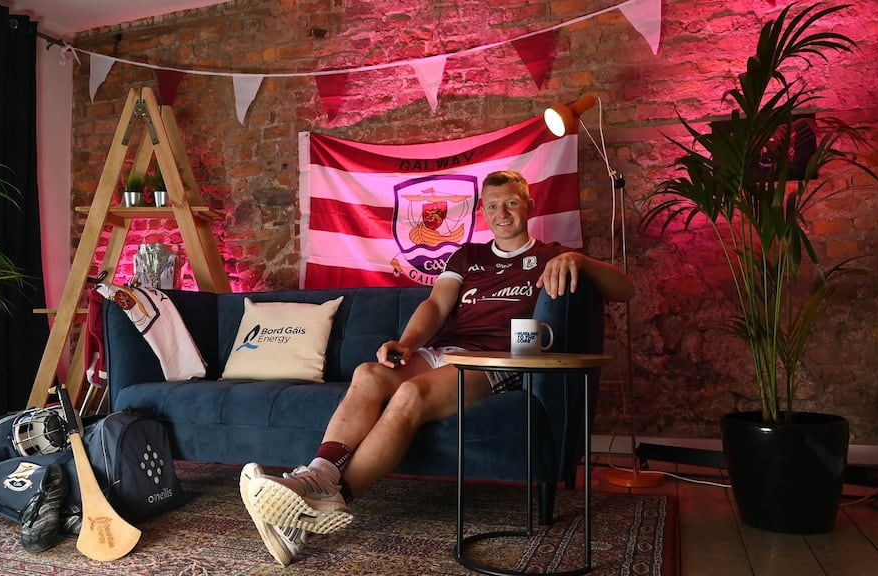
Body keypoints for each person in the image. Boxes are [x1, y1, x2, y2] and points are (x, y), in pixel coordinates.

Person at [239, 170, 634, 565]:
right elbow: (435, 305)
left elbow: (624, 289)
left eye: (512, 203)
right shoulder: (466, 256)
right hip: (446, 350)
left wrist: (577, 260)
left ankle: (317, 507)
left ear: (528, 205)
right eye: (493, 205)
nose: (502, 213)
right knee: (368, 374)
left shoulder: (551, 255)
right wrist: (407, 343)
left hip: (498, 360)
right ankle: (318, 479)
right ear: (483, 210)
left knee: (412, 393)